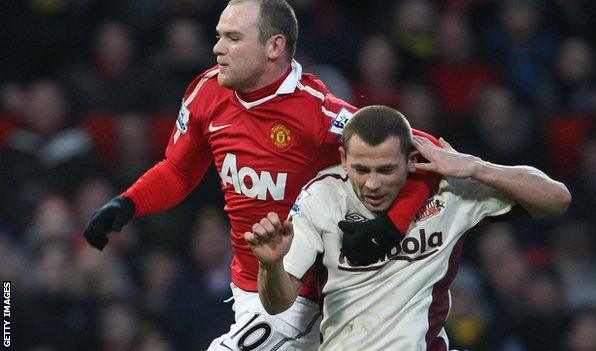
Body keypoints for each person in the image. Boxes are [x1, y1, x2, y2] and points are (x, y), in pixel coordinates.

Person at [82, 1, 439, 350]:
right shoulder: (207, 92)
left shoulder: (317, 113)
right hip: (249, 289)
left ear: (274, 46)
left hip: (307, 295)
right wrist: (128, 203)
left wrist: (392, 224)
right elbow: (178, 170)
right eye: (220, 36)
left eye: (233, 38)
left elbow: (424, 154)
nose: (217, 48)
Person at [245, 105, 571, 350]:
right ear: (343, 158)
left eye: (386, 170)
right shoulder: (322, 196)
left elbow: (557, 199)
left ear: (411, 160)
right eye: (361, 169)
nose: (372, 183)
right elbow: (277, 302)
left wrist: (475, 166)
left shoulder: (450, 190)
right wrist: (270, 264)